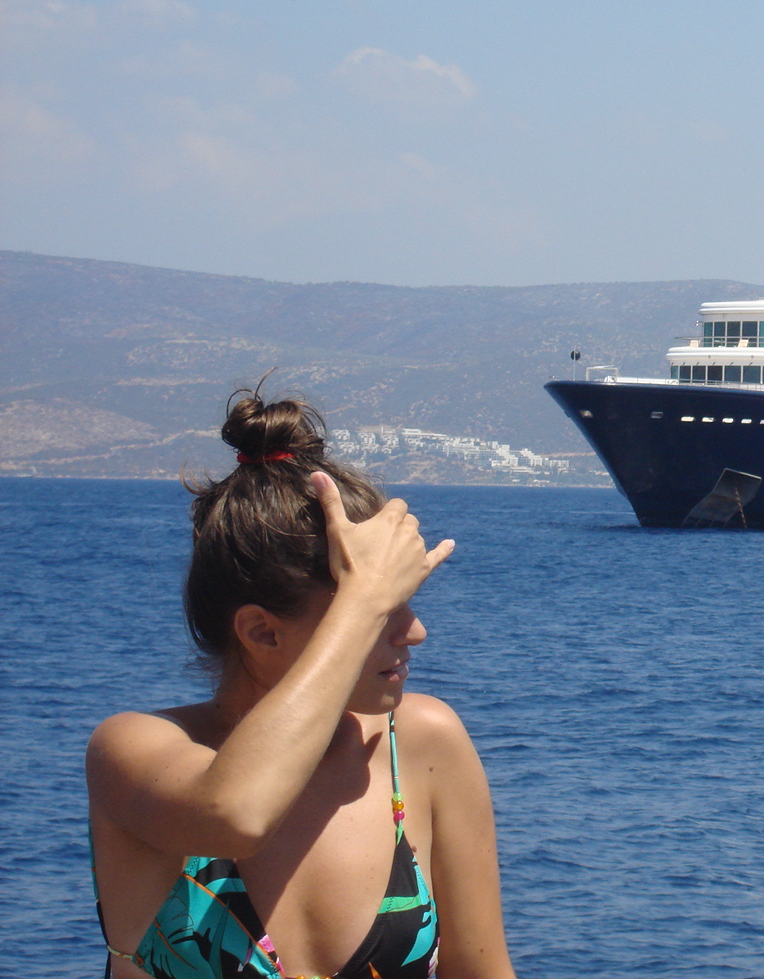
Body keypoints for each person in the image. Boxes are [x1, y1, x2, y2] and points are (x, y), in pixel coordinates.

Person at [87, 390, 516, 979]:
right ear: (262, 632)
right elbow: (236, 815)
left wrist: (363, 600)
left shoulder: (421, 744)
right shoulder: (132, 751)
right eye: (379, 610)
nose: (415, 632)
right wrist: (362, 600)